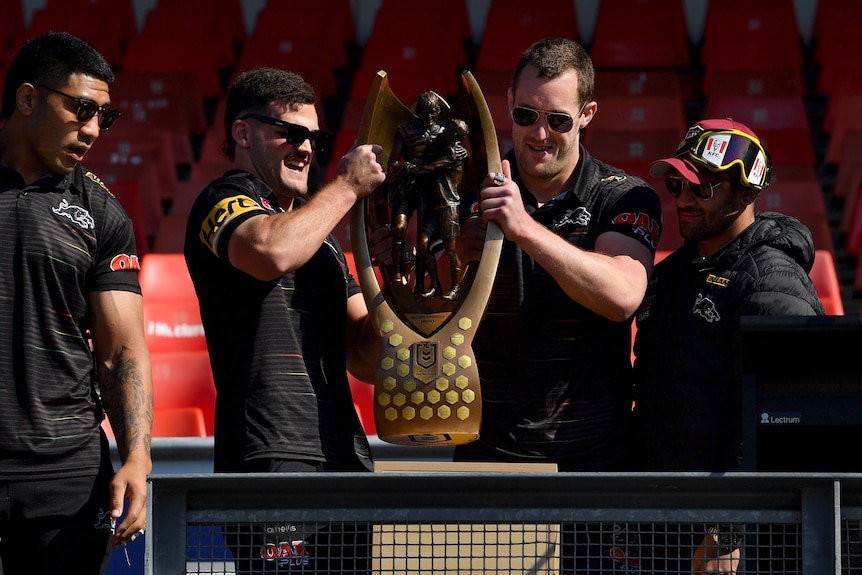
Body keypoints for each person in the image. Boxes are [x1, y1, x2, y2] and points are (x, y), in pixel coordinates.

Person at [450, 37, 662, 573]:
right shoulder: (462, 193)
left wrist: (522, 229)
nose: (539, 134)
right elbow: (428, 317)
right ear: (507, 105)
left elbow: (621, 296)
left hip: (592, 458)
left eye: (559, 120)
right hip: (488, 453)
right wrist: (437, 261)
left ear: (587, 114)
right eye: (526, 115)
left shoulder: (624, 195)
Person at [183, 67, 385, 572]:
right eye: (290, 134)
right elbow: (270, 252)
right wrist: (345, 187)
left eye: (314, 138)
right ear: (242, 133)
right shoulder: (223, 200)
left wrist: (394, 282)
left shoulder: (324, 242)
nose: (306, 149)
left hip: (343, 451)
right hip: (268, 453)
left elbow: (365, 356)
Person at [631, 118, 826, 573]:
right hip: (662, 524)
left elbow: (782, 418)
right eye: (677, 183)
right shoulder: (669, 275)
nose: (681, 199)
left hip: (736, 539)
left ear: (747, 193)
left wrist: (729, 527)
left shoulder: (773, 278)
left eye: (701, 188)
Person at [0, 32, 153, 574]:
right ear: (27, 99)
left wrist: (137, 455)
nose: (92, 130)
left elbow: (121, 351)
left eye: (103, 118)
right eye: (82, 109)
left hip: (65, 480)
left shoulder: (103, 212)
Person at [387, 90, 447, 293]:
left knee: (426, 238)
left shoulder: (443, 132)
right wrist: (408, 167)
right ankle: (397, 270)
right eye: (423, 113)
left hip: (431, 189)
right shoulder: (404, 131)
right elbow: (392, 163)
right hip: (407, 185)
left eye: (432, 113)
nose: (428, 118)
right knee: (399, 226)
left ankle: (425, 283)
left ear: (437, 112)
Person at [413, 117, 470, 301]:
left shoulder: (452, 152)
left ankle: (455, 287)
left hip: (449, 207)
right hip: (437, 207)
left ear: (453, 134)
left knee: (450, 250)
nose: (444, 130)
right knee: (422, 243)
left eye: (448, 128)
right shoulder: (455, 151)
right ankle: (436, 284)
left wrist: (407, 168)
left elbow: (428, 168)